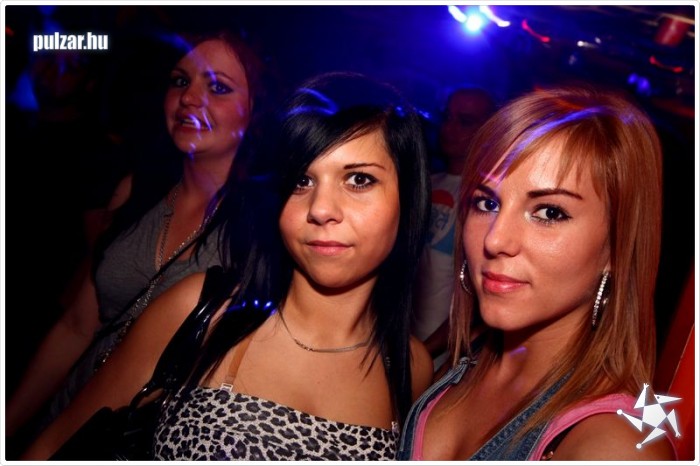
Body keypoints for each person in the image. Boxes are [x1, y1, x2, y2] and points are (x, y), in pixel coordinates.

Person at [22, 71, 434, 461]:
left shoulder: (410, 367)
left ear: (408, 198)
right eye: (301, 181)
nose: (321, 209)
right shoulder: (200, 311)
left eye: (359, 179)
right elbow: (54, 448)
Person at [6, 29, 273, 448]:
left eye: (218, 87)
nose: (189, 97)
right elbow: (77, 325)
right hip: (60, 423)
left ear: (254, 113)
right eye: (180, 81)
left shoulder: (263, 231)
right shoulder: (137, 190)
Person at [397, 85, 678, 460]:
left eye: (549, 212)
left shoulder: (615, 444)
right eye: (487, 203)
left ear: (617, 246)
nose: (496, 239)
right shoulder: (468, 363)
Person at [412, 87, 496, 369]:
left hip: (442, 357)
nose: (450, 128)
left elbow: (476, 298)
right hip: (402, 342)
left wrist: (425, 352)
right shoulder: (425, 184)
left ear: (488, 130)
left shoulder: (487, 200)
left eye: (465, 121)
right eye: (447, 117)